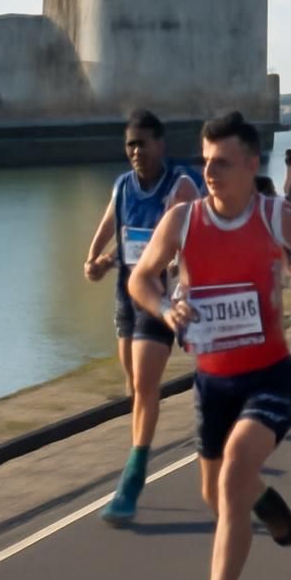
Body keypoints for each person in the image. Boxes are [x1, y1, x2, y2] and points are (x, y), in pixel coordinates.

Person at [132, 111, 291, 580]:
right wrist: (164, 308)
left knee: (233, 474)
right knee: (219, 496)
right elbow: (140, 278)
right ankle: (265, 500)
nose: (210, 173)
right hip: (212, 384)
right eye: (206, 162)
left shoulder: (274, 216)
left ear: (252, 165)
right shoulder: (182, 221)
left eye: (223, 163)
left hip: (269, 377)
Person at [82, 110, 201, 525]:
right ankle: (145, 440)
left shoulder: (180, 186)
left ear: (160, 145)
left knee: (147, 384)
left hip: (159, 296)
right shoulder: (122, 186)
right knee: (134, 384)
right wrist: (96, 258)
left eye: (143, 144)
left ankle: (132, 477)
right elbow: (113, 224)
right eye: (130, 145)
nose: (136, 151)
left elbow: (187, 239)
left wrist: (183, 281)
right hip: (126, 292)